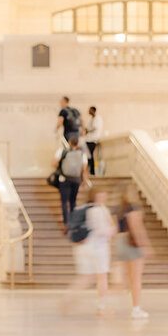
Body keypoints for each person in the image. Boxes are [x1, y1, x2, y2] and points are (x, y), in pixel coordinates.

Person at [68, 185, 115, 316]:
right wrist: (113, 229)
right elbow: (102, 231)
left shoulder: (82, 208)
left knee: (85, 278)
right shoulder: (100, 209)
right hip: (99, 248)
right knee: (102, 277)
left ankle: (68, 298)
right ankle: (102, 307)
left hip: (83, 247)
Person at [115, 184, 154, 319]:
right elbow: (137, 228)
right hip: (131, 243)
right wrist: (145, 245)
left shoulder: (120, 210)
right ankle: (136, 308)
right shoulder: (134, 208)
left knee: (126, 278)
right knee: (136, 278)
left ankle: (106, 303)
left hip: (121, 242)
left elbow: (115, 229)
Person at [51, 133, 89, 229]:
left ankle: (66, 223)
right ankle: (73, 222)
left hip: (64, 179)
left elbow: (54, 163)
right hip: (76, 180)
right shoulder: (82, 154)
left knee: (64, 202)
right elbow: (84, 170)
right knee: (73, 202)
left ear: (69, 142)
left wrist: (61, 167)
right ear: (77, 144)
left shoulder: (62, 151)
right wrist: (85, 182)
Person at [82, 106, 102, 175]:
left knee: (90, 155)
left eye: (90, 110)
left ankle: (92, 171)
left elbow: (94, 128)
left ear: (93, 111)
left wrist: (87, 130)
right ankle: (89, 170)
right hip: (88, 139)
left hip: (93, 139)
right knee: (87, 155)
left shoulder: (98, 119)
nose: (88, 112)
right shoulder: (90, 119)